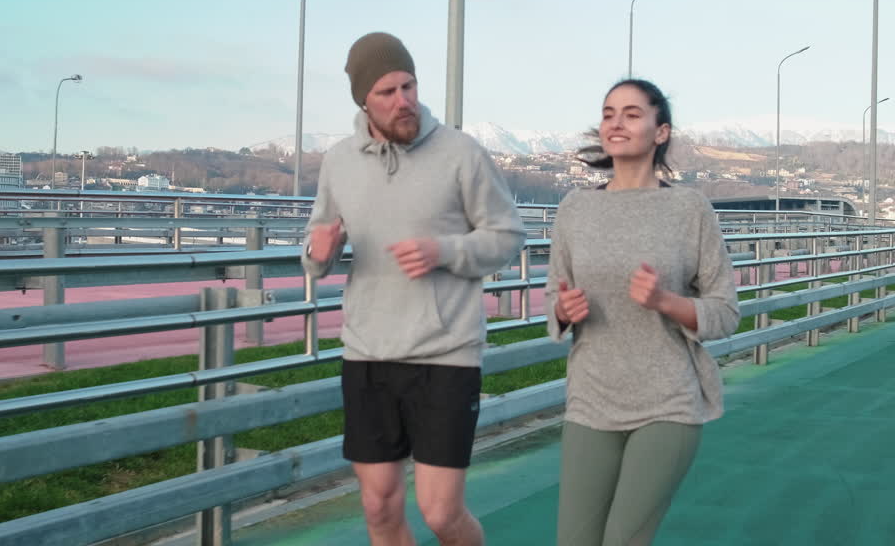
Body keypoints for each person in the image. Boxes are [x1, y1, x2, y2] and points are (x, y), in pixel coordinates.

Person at [302, 31, 525, 546]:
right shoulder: (338, 162)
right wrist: (319, 250)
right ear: (364, 100)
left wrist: (443, 251)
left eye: (409, 86)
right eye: (388, 92)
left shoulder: (461, 153)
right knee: (378, 506)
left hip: (446, 354)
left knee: (441, 513)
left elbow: (508, 234)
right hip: (368, 353)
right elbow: (315, 250)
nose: (404, 100)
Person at [546, 78, 740, 546]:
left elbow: (725, 311)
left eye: (632, 114)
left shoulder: (689, 208)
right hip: (591, 399)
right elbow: (556, 297)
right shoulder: (575, 209)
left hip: (667, 401)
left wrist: (665, 302)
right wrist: (563, 309)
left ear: (661, 132)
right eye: (608, 113)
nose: (616, 123)